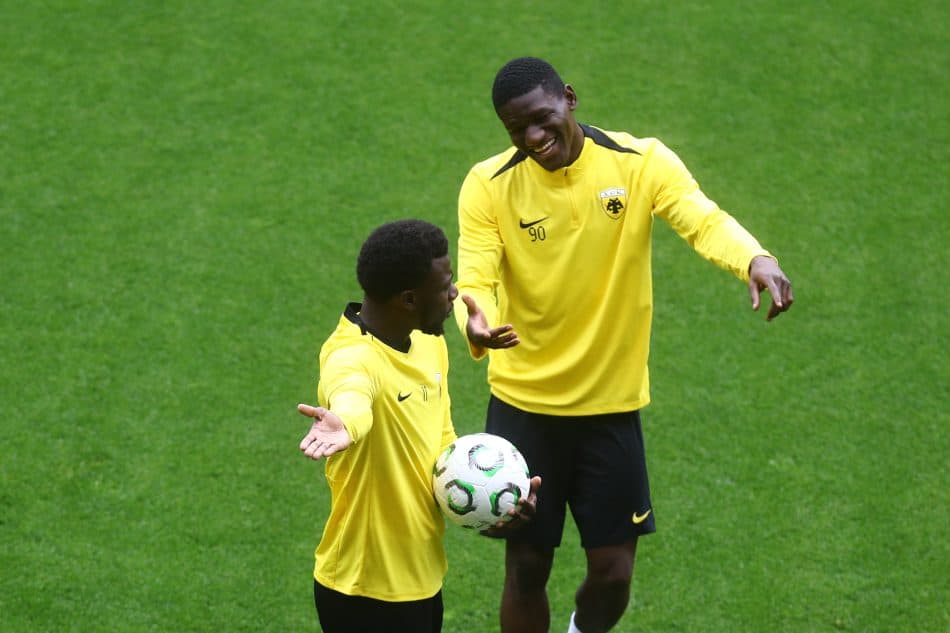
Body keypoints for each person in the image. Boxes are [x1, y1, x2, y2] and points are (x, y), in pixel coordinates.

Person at [454, 57, 794, 633]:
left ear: (569, 98)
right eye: (516, 129)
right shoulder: (488, 185)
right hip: (523, 406)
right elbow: (476, 273)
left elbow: (702, 218)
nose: (533, 138)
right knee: (527, 566)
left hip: (609, 408)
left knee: (613, 574)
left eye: (541, 119)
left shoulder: (640, 161)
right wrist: (475, 321)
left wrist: (754, 258)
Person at [296, 219, 539, 633]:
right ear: (408, 299)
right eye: (444, 286)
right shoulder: (352, 358)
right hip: (361, 588)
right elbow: (353, 396)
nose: (454, 293)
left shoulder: (428, 341)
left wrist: (491, 502)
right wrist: (346, 424)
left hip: (423, 579)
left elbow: (440, 447)